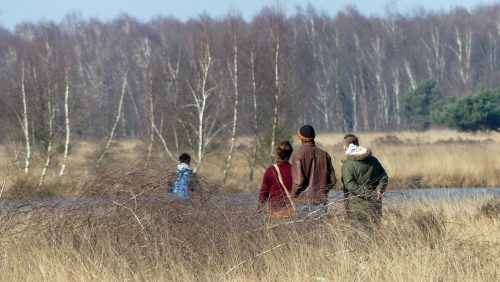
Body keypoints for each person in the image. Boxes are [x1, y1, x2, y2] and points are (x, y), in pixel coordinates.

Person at [341, 134, 388, 234]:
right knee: (374, 235)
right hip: (375, 205)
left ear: (345, 148)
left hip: (356, 208)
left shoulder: (348, 165)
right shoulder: (373, 160)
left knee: (359, 238)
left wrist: (370, 193)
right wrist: (379, 190)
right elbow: (384, 176)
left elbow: (349, 185)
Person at [291, 125, 337, 217]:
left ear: (300, 138)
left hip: (303, 202)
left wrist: (292, 195)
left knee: (305, 231)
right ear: (313, 137)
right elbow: (333, 180)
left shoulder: (298, 155)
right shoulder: (324, 155)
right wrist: (323, 192)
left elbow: (298, 182)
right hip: (321, 201)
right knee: (321, 230)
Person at [257, 141, 296, 218]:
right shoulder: (295, 170)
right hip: (290, 213)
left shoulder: (270, 171)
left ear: (277, 153)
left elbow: (263, 195)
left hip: (274, 213)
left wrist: (258, 210)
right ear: (290, 153)